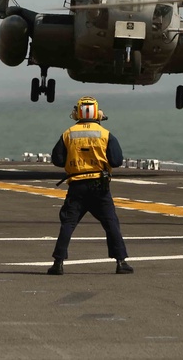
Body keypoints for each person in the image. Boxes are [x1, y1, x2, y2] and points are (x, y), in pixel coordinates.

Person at [47, 96, 133, 276]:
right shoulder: (105, 134)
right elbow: (116, 161)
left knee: (68, 224)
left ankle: (58, 263)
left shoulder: (68, 134)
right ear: (97, 114)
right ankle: (121, 262)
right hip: (99, 186)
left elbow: (57, 159)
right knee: (111, 223)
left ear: (77, 113)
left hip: (77, 187)